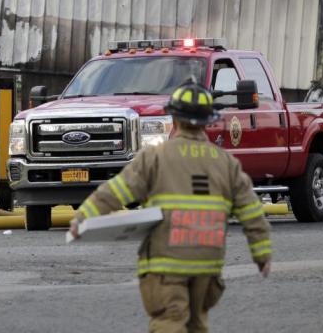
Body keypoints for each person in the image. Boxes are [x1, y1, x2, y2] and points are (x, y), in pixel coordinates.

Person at [69, 80, 271, 332]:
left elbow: (115, 192)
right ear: (208, 122)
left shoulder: (155, 157)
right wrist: (261, 255)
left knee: (169, 323)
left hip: (166, 264)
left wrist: (82, 219)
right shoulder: (226, 163)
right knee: (197, 324)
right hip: (207, 266)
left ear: (174, 118)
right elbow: (252, 213)